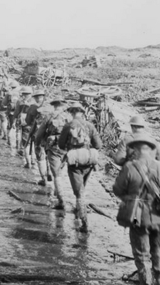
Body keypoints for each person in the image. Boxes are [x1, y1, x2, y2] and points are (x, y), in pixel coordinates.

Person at [113, 134, 160, 285]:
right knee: (158, 252)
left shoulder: (129, 167)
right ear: (151, 150)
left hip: (138, 217)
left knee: (142, 256)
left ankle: (146, 282)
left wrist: (131, 197)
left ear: (136, 149)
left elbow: (117, 190)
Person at [58, 102, 102, 232]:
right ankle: (79, 211)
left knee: (79, 193)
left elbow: (61, 145)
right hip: (88, 159)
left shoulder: (68, 125)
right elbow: (98, 145)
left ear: (72, 113)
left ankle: (84, 224)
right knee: (82, 187)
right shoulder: (90, 125)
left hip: (75, 160)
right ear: (83, 113)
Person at [35, 96, 71, 209]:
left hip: (54, 146)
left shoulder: (50, 116)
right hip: (67, 147)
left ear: (54, 105)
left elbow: (40, 133)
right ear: (63, 105)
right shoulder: (69, 117)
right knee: (60, 169)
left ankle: (61, 200)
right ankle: (56, 191)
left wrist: (37, 143)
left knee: (56, 173)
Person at [25, 89, 49, 185]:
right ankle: (51, 175)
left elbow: (27, 121)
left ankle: (44, 179)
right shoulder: (50, 107)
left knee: (40, 157)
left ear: (35, 98)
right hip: (51, 136)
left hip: (38, 135)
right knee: (50, 156)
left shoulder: (32, 107)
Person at [12, 86, 35, 167]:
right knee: (34, 143)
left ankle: (28, 163)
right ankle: (33, 160)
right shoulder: (35, 102)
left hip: (25, 124)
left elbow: (16, 112)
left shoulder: (20, 101)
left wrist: (14, 121)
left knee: (26, 143)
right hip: (35, 125)